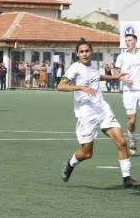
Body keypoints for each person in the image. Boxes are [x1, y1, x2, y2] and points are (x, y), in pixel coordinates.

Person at [58, 38, 140, 188]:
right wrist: (80, 87)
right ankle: (71, 163)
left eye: (87, 51)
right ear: (77, 54)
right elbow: (60, 86)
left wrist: (113, 77)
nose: (84, 54)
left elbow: (96, 77)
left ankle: (126, 178)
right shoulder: (75, 68)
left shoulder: (93, 65)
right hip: (86, 114)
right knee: (87, 154)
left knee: (121, 142)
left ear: (92, 52)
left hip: (102, 109)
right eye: (81, 52)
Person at [114, 31, 140, 155]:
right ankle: (133, 140)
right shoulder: (122, 56)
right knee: (132, 121)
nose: (127, 42)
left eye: (129, 40)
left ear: (135, 41)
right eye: (126, 41)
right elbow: (117, 73)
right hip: (129, 92)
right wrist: (123, 79)